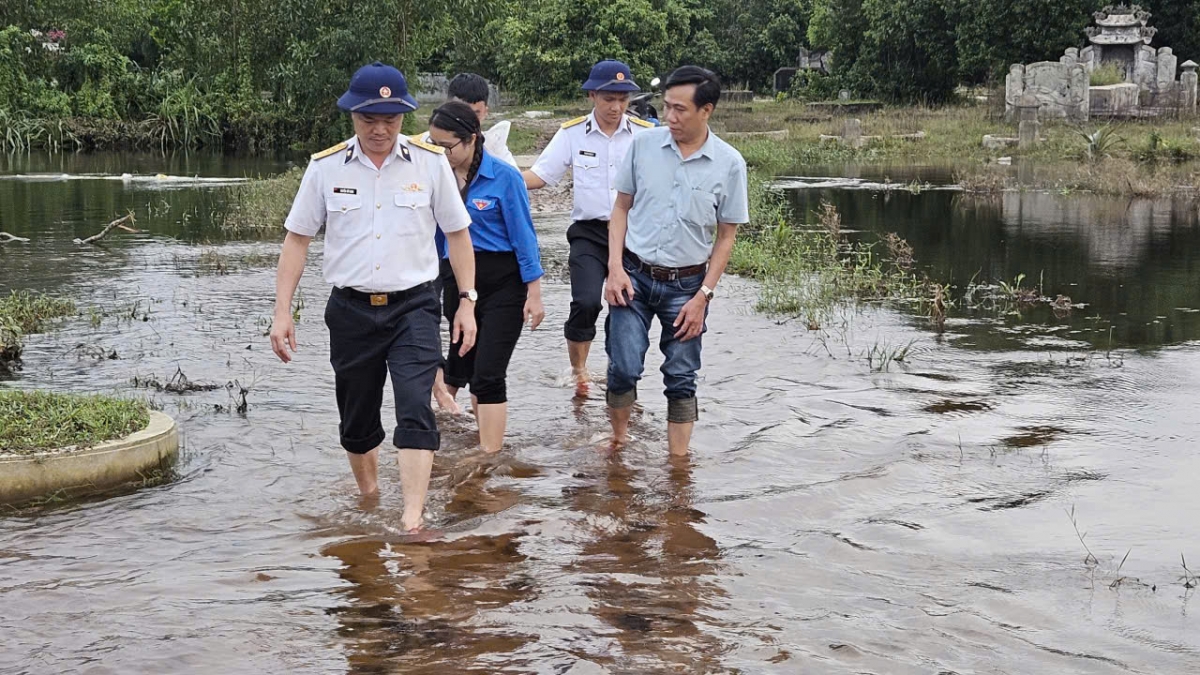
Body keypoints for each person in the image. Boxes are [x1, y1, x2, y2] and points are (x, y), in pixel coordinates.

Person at [270, 61, 479, 532]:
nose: (380, 129)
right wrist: (282, 311)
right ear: (352, 116)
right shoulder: (324, 168)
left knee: (414, 404)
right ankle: (369, 498)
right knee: (357, 420)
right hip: (350, 310)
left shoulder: (429, 164)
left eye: (390, 118)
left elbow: (458, 235)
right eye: (369, 119)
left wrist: (466, 300)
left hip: (415, 306)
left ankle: (411, 518)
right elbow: (297, 240)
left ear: (405, 116)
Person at [603, 65, 749, 456]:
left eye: (680, 110)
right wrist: (614, 269)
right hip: (632, 277)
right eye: (667, 107)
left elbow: (726, 236)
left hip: (686, 288)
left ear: (707, 111)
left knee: (682, 375)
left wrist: (704, 296)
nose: (670, 117)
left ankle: (678, 467)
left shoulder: (729, 164)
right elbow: (620, 208)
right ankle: (618, 442)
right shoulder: (644, 146)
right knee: (623, 366)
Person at [523, 59, 655, 397]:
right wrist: (496, 181)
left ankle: (619, 374)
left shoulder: (645, 135)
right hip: (589, 233)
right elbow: (541, 176)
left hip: (633, 235)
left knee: (625, 306)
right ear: (592, 95)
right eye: (609, 98)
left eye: (623, 99)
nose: (616, 107)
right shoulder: (572, 134)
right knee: (585, 302)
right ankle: (579, 371)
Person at [426, 100, 546, 454]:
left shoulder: (504, 177)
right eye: (434, 145)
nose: (440, 153)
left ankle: (489, 458)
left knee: (489, 373)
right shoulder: (437, 177)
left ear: (472, 139)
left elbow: (524, 238)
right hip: (457, 282)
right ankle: (464, 442)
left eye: (447, 146)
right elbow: (434, 239)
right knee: (464, 367)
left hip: (503, 284)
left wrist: (534, 292)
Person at [447, 73, 518, 168]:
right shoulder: (428, 148)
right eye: (460, 113)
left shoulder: (494, 148)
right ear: (446, 109)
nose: (467, 121)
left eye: (475, 114)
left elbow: (514, 179)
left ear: (485, 112)